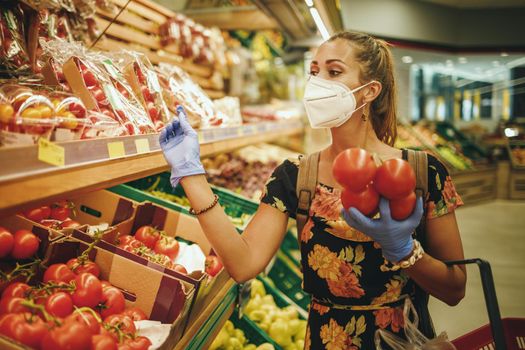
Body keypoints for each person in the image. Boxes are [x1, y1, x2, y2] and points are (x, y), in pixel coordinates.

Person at [159, 31, 466, 349]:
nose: (317, 84)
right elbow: (243, 264)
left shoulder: (424, 174)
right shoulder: (294, 176)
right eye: (314, 72)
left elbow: (455, 290)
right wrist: (191, 176)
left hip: (404, 339)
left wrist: (406, 253)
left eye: (333, 72)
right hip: (325, 340)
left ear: (370, 91)